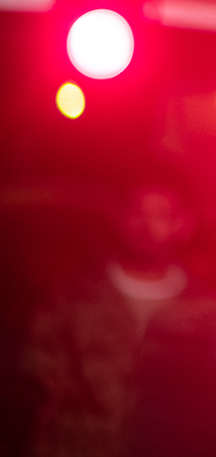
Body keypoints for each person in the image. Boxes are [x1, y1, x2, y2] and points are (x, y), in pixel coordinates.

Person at [24, 183, 203, 457]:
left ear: (182, 225)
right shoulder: (74, 296)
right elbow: (39, 377)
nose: (147, 225)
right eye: (137, 213)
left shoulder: (207, 310)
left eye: (162, 215)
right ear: (120, 218)